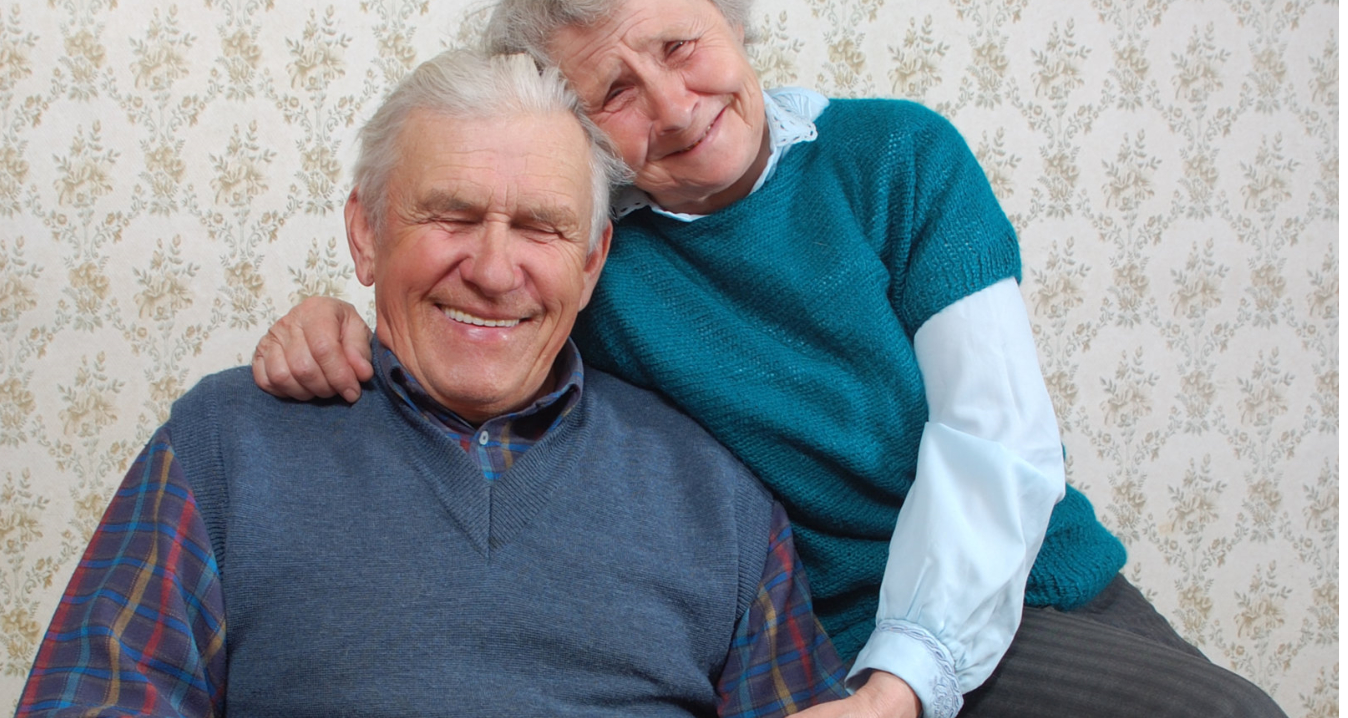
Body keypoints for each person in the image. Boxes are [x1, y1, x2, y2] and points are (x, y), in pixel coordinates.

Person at [253, 1, 1290, 716]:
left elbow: (992, 438)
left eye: (677, 42)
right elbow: (464, 327)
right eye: (612, 90)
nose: (668, 102)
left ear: (729, 19)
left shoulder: (898, 159)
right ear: (580, 134)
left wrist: (904, 682)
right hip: (812, 647)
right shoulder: (592, 253)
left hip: (1024, 585)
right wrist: (333, 321)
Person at [15, 50, 852, 718]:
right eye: (451, 216)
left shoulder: (716, 494)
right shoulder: (224, 450)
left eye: (540, 227)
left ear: (593, 261)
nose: (493, 270)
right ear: (366, 234)